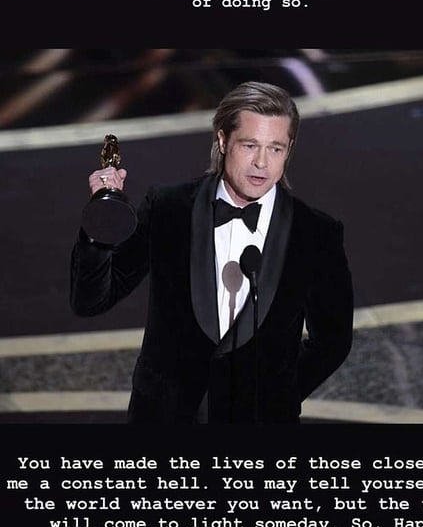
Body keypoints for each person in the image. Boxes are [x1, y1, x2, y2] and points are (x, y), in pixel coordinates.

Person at [70, 81, 353, 423]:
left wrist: (278, 398)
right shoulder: (168, 208)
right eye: (249, 145)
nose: (262, 163)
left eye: (275, 148)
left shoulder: (316, 233)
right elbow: (91, 301)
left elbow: (333, 341)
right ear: (222, 140)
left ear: (289, 149)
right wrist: (102, 221)